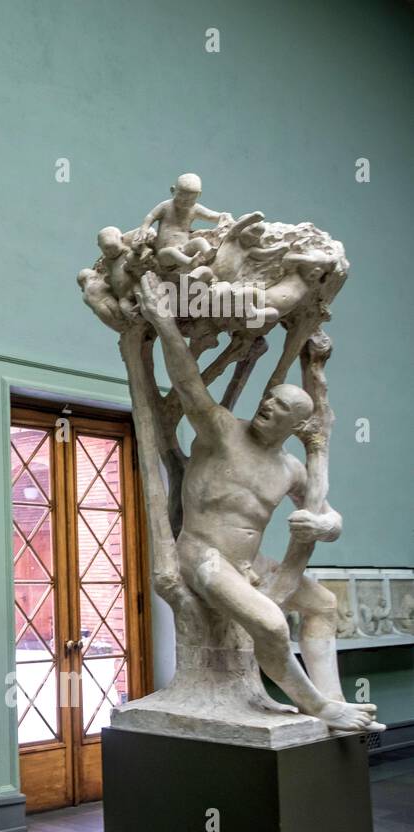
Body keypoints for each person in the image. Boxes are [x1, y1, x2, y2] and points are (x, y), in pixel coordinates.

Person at [137, 273, 380, 731]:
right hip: (203, 555)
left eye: (280, 407)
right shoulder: (222, 430)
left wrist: (325, 527)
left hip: (251, 562)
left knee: (324, 604)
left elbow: (326, 514)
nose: (268, 405)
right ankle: (318, 706)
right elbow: (188, 384)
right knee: (270, 625)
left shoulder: (290, 468)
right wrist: (165, 325)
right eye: (269, 399)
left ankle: (333, 700)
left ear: (295, 425)